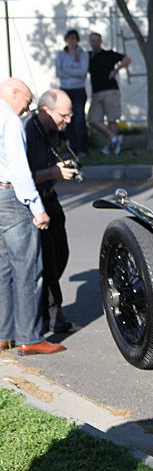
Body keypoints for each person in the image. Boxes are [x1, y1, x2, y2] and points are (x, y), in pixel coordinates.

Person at [0, 78, 65, 356]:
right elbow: (19, 169)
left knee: (2, 271)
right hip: (11, 195)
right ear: (14, 93)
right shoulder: (10, 120)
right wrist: (37, 207)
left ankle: (4, 334)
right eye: (26, 101)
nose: (26, 109)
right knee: (28, 268)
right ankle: (29, 337)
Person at [25, 89, 79, 335]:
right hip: (33, 200)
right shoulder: (26, 130)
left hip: (49, 195)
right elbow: (22, 177)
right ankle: (53, 314)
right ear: (45, 110)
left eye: (70, 116)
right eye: (64, 116)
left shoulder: (53, 128)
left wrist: (61, 167)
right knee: (46, 256)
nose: (67, 121)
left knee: (61, 251)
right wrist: (53, 173)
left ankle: (46, 305)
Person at [87, 32, 130, 155]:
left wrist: (116, 70)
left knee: (112, 119)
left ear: (101, 41)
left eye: (97, 40)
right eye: (93, 40)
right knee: (93, 119)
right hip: (96, 92)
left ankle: (112, 146)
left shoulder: (109, 54)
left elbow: (127, 59)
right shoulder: (88, 56)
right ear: (90, 42)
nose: (95, 43)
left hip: (111, 90)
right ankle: (114, 138)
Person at [55, 29, 89, 158]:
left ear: (77, 40)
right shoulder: (61, 55)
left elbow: (82, 73)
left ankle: (83, 149)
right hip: (65, 89)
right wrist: (74, 71)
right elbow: (59, 73)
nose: (71, 41)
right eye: (69, 38)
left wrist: (67, 71)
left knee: (80, 120)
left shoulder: (83, 54)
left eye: (74, 38)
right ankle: (70, 149)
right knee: (67, 120)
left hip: (78, 89)